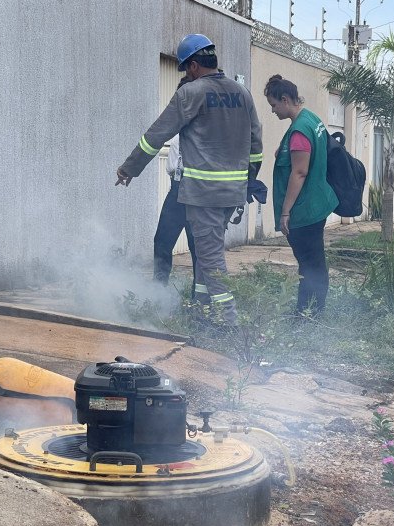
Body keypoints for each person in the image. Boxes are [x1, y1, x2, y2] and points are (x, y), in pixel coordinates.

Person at [116, 34, 263, 326]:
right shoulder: (242, 93)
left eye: (185, 68)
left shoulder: (191, 92)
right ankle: (201, 312)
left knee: (211, 262)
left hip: (201, 194)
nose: (186, 73)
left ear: (194, 66)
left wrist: (129, 168)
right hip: (230, 194)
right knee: (207, 256)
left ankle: (229, 323)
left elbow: (156, 135)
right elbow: (255, 145)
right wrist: (247, 183)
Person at [264, 74, 338, 314]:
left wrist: (285, 212)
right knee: (315, 262)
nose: (273, 111)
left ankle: (307, 315)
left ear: (285, 99)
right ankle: (313, 311)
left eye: (274, 105)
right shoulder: (311, 119)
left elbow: (299, 172)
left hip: (304, 211)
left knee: (309, 267)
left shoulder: (298, 131)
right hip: (317, 203)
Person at [153, 79, 197, 294]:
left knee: (198, 248)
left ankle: (200, 299)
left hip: (197, 193)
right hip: (176, 189)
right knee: (162, 241)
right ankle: (158, 293)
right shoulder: (180, 123)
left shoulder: (204, 126)